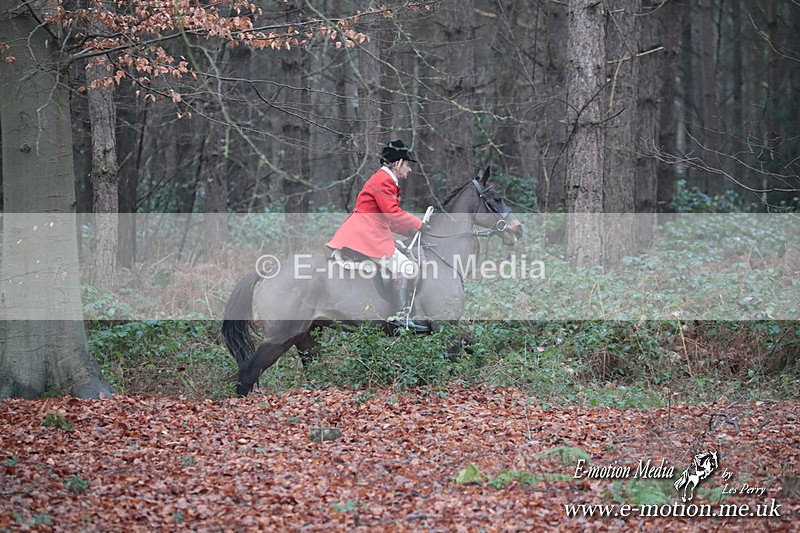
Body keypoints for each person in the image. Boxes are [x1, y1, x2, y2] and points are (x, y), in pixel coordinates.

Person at [327, 140, 429, 332]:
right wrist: (419, 224)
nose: (409, 170)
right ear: (398, 163)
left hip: (370, 231)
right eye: (407, 165)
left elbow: (388, 219)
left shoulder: (385, 179)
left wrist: (411, 231)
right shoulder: (383, 180)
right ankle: (400, 320)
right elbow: (392, 212)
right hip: (366, 235)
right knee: (407, 267)